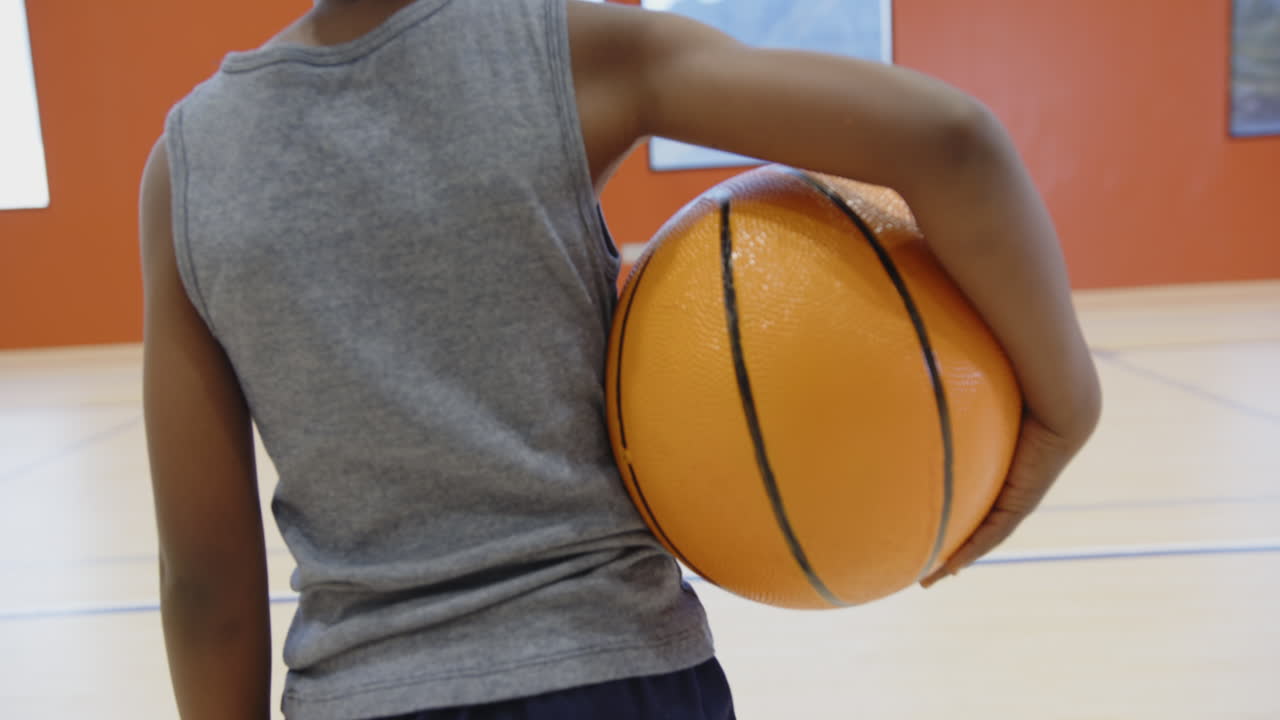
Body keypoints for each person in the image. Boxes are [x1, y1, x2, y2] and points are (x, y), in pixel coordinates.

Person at [139, 0, 1102, 718]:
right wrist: (1066, 409)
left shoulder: (189, 167)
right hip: (615, 676)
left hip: (362, 693)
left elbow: (209, 587)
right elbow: (955, 143)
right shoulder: (555, 50)